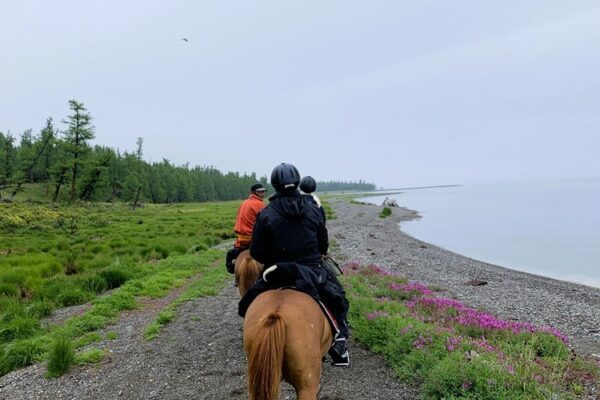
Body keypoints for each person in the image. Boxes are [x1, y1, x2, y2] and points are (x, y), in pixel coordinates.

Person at [249, 163, 351, 367]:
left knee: (246, 305)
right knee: (338, 300)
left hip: (276, 272)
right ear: (297, 183)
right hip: (311, 271)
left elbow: (257, 252)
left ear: (275, 185)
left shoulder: (266, 213)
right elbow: (323, 244)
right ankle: (339, 346)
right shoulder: (313, 209)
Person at [225, 183, 267, 273]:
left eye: (263, 191)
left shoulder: (243, 203)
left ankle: (236, 275)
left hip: (241, 240)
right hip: (254, 239)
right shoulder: (261, 205)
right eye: (260, 192)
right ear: (253, 192)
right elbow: (265, 222)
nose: (262, 193)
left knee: (234, 254)